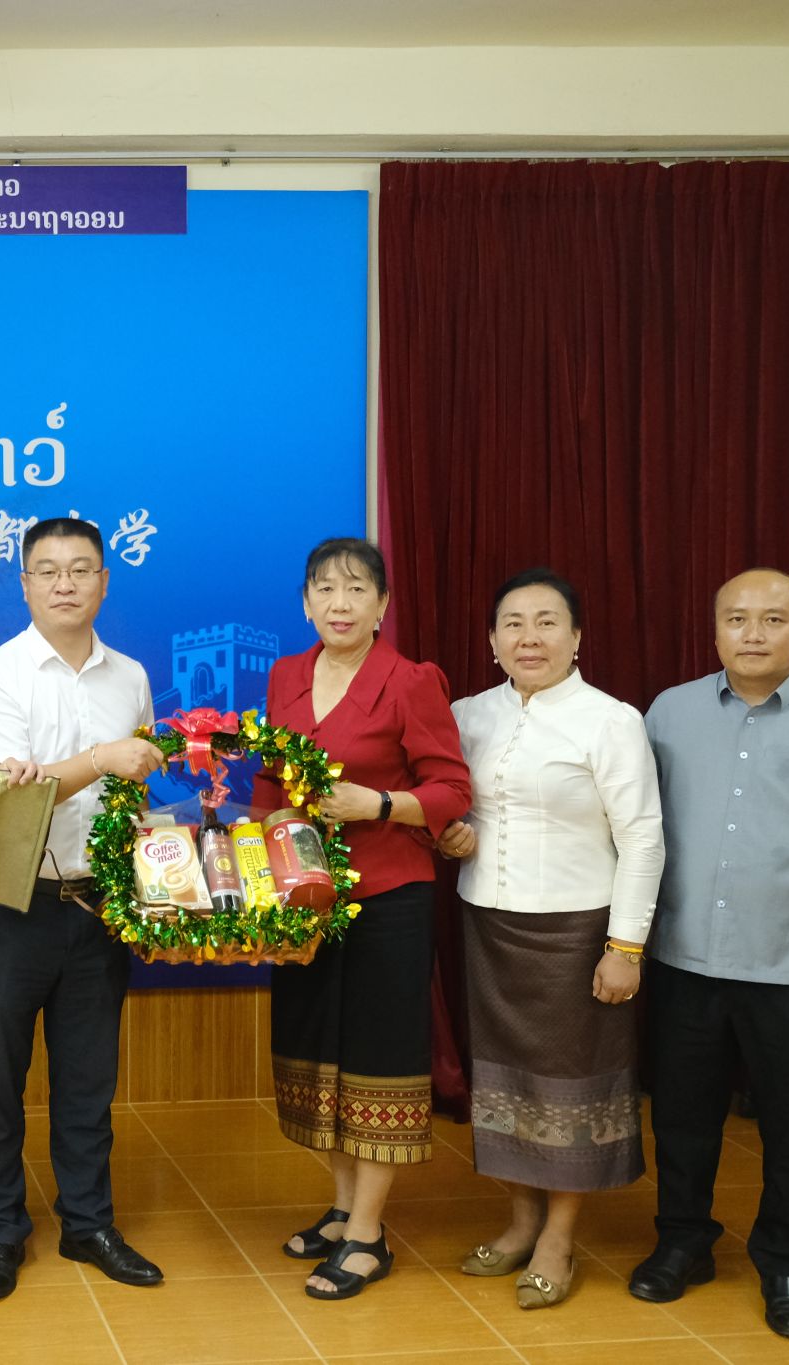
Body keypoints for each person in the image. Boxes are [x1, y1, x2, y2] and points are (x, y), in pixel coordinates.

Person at [629, 568, 789, 1341]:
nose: (754, 632)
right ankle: (683, 1241)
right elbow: (636, 826)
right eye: (737, 618)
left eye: (774, 619)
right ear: (715, 630)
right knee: (682, 1120)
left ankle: (786, 1265)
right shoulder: (669, 712)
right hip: (685, 958)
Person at [435, 568, 664, 1309]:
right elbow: (454, 808)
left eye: (546, 622)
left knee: (571, 1088)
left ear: (576, 637)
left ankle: (559, 1237)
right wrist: (452, 835)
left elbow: (644, 838)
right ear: (491, 640)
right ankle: (520, 1221)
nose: (528, 637)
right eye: (513, 623)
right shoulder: (468, 714)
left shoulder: (611, 720)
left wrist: (625, 947)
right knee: (505, 1084)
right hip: (488, 923)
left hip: (577, 930)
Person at [0, 516, 167, 1301]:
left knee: (88, 1082)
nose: (65, 583)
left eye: (81, 569)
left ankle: (88, 1223)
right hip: (13, 904)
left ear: (104, 581)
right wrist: (101, 758)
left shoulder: (130, 676)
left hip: (98, 904)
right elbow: (10, 802)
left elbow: (134, 791)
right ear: (25, 584)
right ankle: (0, 1232)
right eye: (48, 570)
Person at [263, 536, 470, 1300]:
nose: (340, 603)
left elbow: (451, 789)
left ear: (382, 604)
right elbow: (271, 778)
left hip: (388, 896)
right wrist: (267, 845)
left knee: (378, 1063)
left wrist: (378, 803)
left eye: (356, 589)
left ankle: (368, 1234)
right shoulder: (286, 674)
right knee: (315, 1054)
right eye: (324, 588)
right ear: (305, 602)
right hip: (303, 897)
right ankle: (344, 1204)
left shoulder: (411, 680)